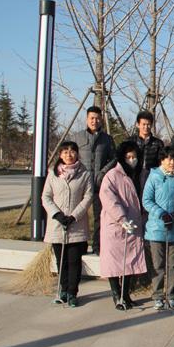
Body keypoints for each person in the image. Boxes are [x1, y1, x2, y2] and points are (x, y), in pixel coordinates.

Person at [41, 141, 93, 307]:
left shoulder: (85, 174)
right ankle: (63, 290)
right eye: (65, 152)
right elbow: (46, 197)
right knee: (61, 261)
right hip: (57, 225)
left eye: (72, 151)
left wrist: (74, 216)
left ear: (77, 153)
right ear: (60, 155)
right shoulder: (53, 173)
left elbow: (88, 197)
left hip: (76, 225)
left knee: (74, 261)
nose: (69, 155)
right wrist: (57, 214)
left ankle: (72, 293)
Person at [99, 141, 147, 310]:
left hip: (134, 223)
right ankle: (116, 295)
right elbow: (109, 199)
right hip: (116, 224)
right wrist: (122, 218)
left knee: (129, 261)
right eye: (128, 157)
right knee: (114, 262)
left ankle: (125, 294)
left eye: (134, 156)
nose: (132, 160)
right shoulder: (112, 175)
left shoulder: (141, 174)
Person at [142, 146, 174, 310]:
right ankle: (158, 296)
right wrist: (162, 214)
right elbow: (147, 200)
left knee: (173, 264)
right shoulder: (154, 176)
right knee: (158, 265)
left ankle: (172, 295)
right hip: (156, 228)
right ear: (162, 160)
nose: (172, 162)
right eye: (168, 158)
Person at [69, 105, 115, 255]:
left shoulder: (107, 139)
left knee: (99, 216)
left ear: (101, 119)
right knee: (78, 215)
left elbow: (113, 159)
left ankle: (98, 245)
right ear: (87, 119)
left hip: (98, 184)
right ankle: (79, 244)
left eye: (97, 118)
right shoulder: (77, 137)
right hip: (80, 183)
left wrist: (103, 172)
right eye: (92, 118)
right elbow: (70, 157)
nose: (94, 121)